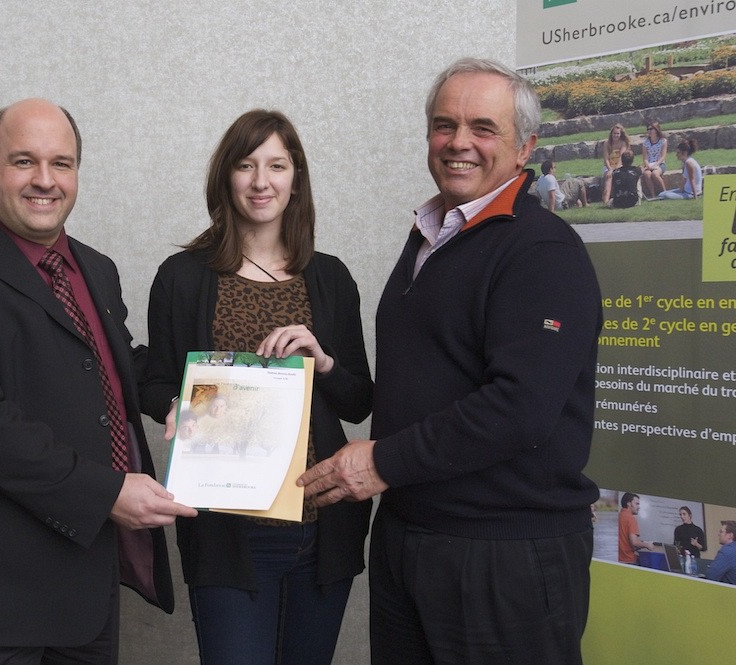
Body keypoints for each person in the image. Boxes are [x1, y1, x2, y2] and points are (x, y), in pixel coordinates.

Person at [297, 58, 603, 665]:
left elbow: (519, 408)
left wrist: (382, 461)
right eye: (445, 125)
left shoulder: (543, 250)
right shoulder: (430, 235)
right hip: (409, 535)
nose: (459, 142)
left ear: (525, 148)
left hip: (502, 554)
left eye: (483, 128)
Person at [0, 97, 196, 664]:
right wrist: (107, 493)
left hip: (86, 587)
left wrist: (185, 398)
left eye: (62, 163)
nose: (45, 180)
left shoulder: (96, 268)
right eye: (24, 161)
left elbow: (109, 362)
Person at [142, 109, 374, 665]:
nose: (261, 181)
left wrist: (324, 363)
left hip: (321, 524)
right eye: (246, 165)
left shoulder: (331, 276)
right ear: (226, 176)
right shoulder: (182, 277)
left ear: (296, 178)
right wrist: (178, 406)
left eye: (277, 165)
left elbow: (359, 401)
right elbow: (154, 382)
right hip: (227, 531)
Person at [617, 492, 656, 564]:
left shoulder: (618, 516)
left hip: (617, 559)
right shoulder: (631, 518)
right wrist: (647, 545)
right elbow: (634, 542)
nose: (639, 507)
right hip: (628, 560)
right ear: (629, 504)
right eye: (637, 504)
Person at [601, 123, 631, 204]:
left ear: (620, 134)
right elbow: (606, 159)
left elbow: (621, 158)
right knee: (609, 176)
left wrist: (615, 169)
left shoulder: (623, 143)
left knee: (617, 175)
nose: (616, 135)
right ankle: (606, 199)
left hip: (620, 165)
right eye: (614, 133)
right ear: (611, 134)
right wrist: (610, 169)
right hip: (608, 166)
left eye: (618, 133)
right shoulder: (606, 143)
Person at [641, 121, 668, 198]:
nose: (649, 131)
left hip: (660, 164)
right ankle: (653, 195)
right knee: (647, 174)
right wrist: (648, 166)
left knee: (655, 174)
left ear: (656, 130)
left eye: (651, 129)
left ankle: (665, 192)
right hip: (649, 164)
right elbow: (645, 158)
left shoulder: (663, 141)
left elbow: (663, 156)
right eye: (648, 129)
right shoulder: (645, 143)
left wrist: (656, 165)